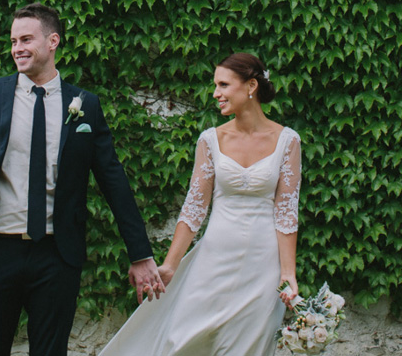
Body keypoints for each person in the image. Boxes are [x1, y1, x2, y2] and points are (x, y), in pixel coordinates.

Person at [0, 2, 163, 356]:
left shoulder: (85, 105)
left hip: (57, 254)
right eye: (13, 41)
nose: (17, 48)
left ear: (52, 41)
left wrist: (140, 253)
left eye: (26, 39)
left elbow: (113, 179)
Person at [98, 52, 301, 356]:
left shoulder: (288, 141)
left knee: (249, 347)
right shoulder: (210, 140)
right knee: (180, 341)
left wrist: (288, 273)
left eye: (223, 85)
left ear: (251, 86)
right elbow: (194, 209)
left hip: (263, 265)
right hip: (214, 258)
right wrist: (170, 265)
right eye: (215, 85)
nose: (215, 93)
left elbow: (286, 213)